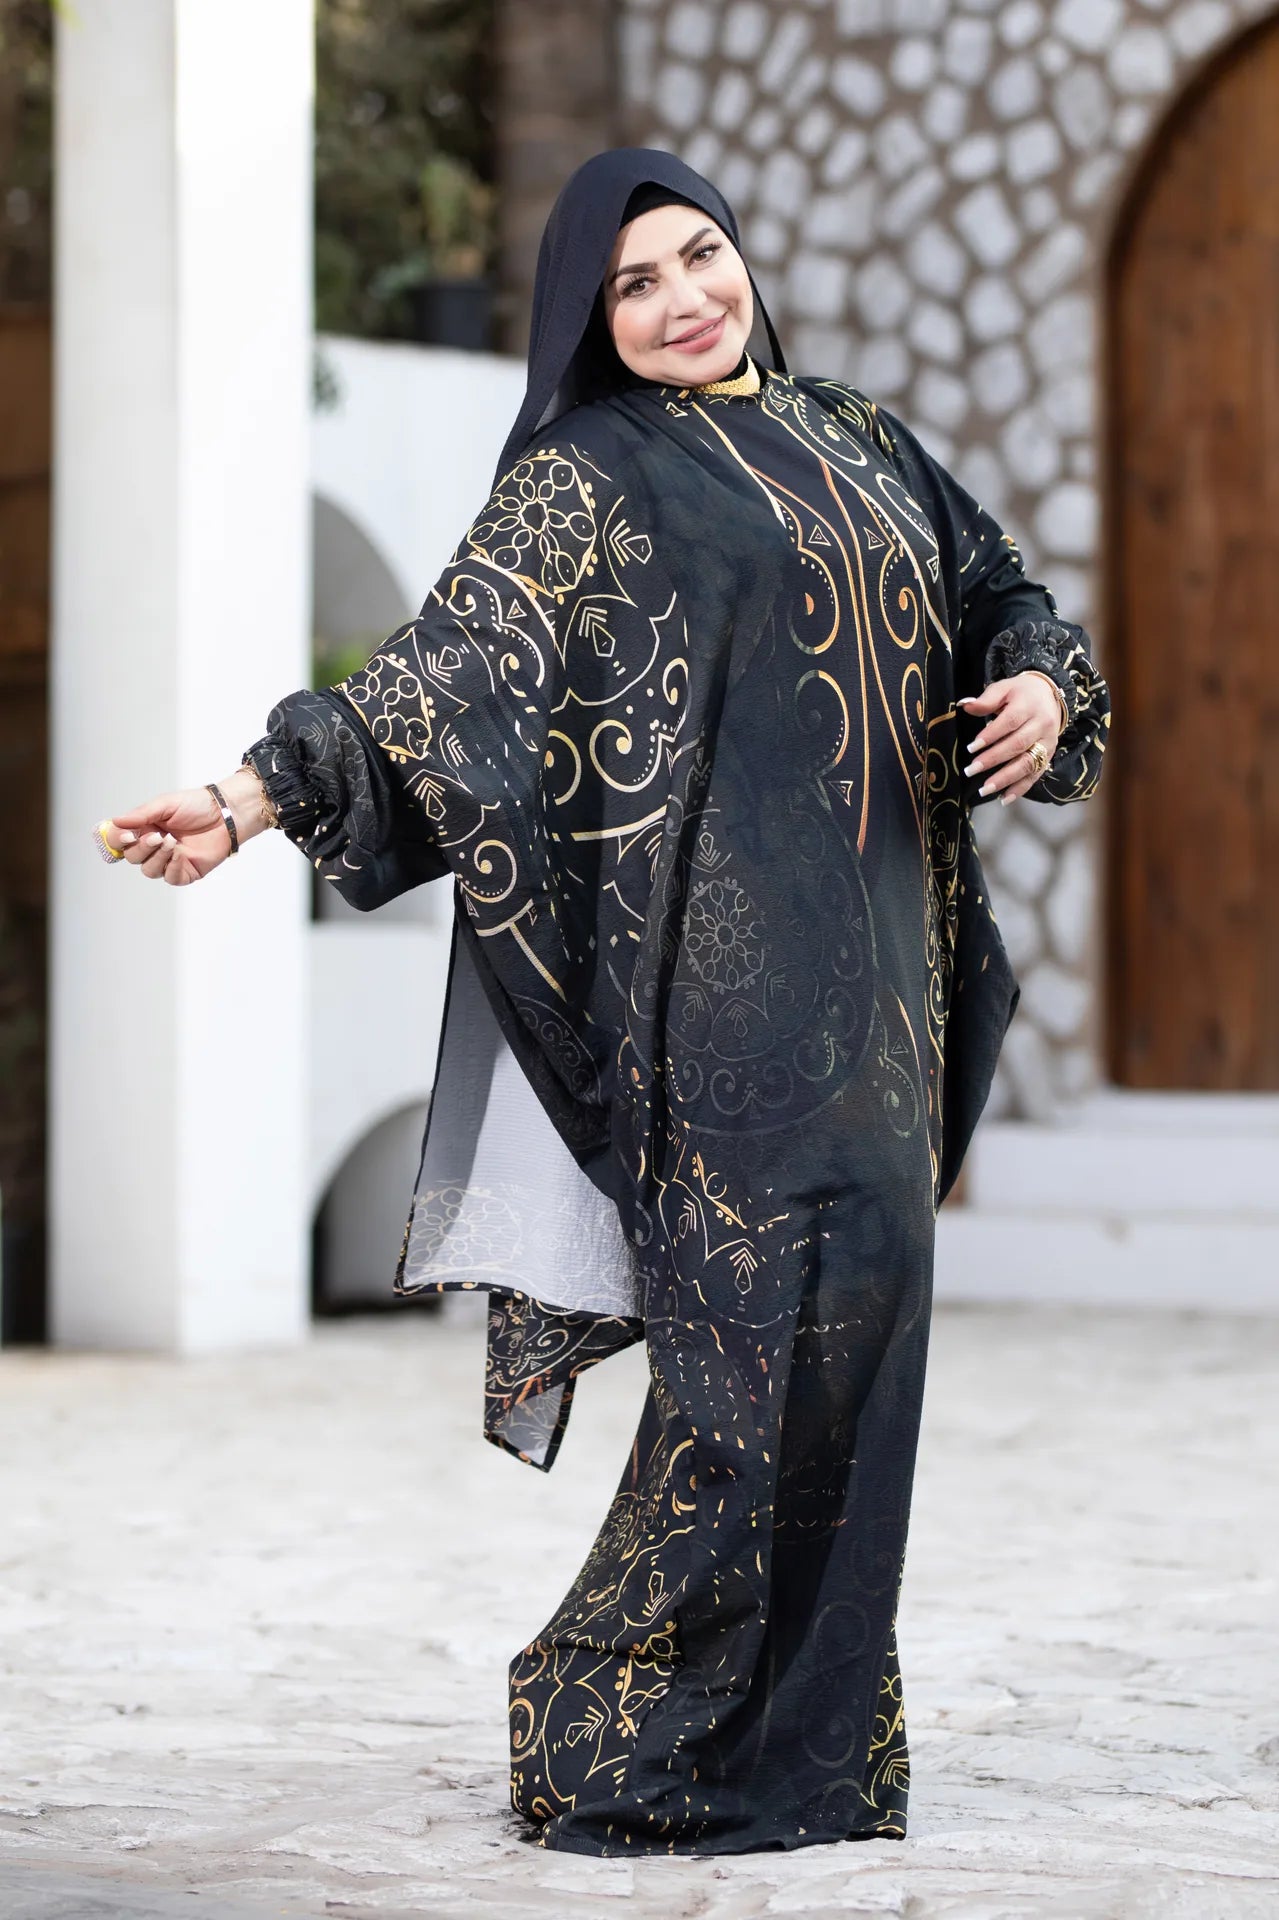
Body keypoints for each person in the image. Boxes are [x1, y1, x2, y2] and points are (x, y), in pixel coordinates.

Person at [97, 147, 1110, 1857]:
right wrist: (255, 795)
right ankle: (610, 1714)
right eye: (634, 284)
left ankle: (812, 1752)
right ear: (593, 315)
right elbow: (439, 679)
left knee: (863, 1363)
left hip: (882, 994)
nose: (682, 300)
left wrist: (1028, 680)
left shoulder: (858, 436)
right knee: (738, 1384)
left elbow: (1000, 583)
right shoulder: (584, 481)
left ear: (742, 257)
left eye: (699, 256)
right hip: (714, 1007)